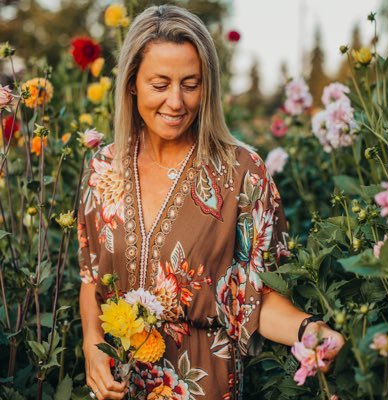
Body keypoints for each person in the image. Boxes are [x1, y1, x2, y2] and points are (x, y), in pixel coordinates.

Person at [78, 5, 344, 400]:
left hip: (203, 385)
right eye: (160, 83)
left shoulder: (243, 173)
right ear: (132, 83)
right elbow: (92, 278)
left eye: (190, 83)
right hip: (118, 384)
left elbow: (257, 297)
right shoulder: (103, 168)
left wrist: (310, 330)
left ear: (208, 86)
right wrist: (91, 347)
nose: (176, 101)